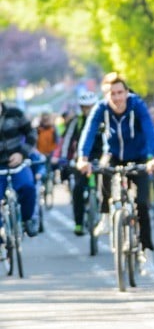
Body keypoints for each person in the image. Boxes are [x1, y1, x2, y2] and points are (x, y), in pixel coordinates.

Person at [76, 73, 154, 275]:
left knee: (142, 204)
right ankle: (106, 215)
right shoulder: (101, 108)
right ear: (106, 95)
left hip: (139, 157)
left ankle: (146, 252)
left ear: (126, 92)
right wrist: (83, 157)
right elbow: (88, 132)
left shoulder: (137, 105)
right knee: (104, 169)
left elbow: (150, 131)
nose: (116, 98)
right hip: (114, 154)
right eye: (111, 94)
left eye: (120, 92)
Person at [57, 91, 103, 235]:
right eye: (84, 107)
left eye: (90, 107)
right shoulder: (76, 121)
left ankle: (106, 216)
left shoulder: (103, 119)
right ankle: (78, 223)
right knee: (77, 188)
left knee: (106, 187)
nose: (87, 110)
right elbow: (67, 140)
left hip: (101, 158)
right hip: (82, 159)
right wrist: (64, 158)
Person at [0, 100, 40, 237]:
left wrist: (22, 154)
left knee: (28, 187)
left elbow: (31, 133)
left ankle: (27, 219)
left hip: (18, 163)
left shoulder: (15, 114)